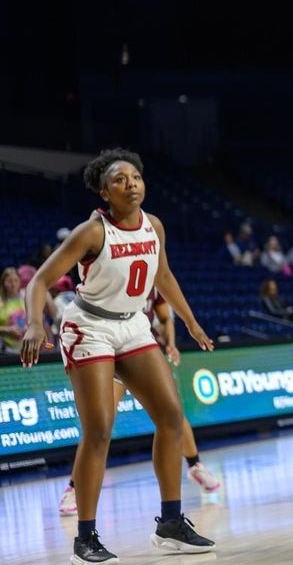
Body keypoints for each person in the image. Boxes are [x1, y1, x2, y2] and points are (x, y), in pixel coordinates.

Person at [19, 148, 216, 562]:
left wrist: (191, 322)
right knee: (100, 430)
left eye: (136, 177)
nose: (131, 184)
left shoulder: (154, 226)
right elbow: (38, 281)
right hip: (90, 326)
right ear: (105, 192)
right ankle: (85, 539)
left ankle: (171, 523)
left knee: (171, 416)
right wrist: (36, 324)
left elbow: (162, 276)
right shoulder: (91, 232)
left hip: (132, 325)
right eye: (120, 179)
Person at [60, 288, 221, 516]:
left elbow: (165, 318)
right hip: (108, 349)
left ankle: (195, 465)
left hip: (140, 349)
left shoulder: (151, 279)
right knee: (99, 426)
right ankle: (74, 488)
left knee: (172, 414)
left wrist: (172, 344)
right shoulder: (111, 273)